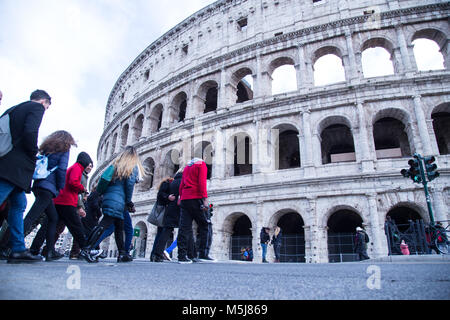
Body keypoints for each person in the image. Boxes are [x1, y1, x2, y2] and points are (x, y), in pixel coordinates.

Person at [6, 130, 76, 261]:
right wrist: (60, 187)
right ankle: (10, 247)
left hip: (38, 184)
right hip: (48, 187)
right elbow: (62, 169)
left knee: (53, 217)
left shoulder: (47, 148)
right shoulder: (64, 149)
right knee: (31, 217)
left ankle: (50, 251)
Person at [0, 90, 51, 263]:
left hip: (7, 161)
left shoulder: (13, 109)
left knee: (19, 205)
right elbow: (31, 131)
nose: (46, 109)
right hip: (15, 165)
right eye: (47, 106)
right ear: (44, 101)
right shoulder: (36, 108)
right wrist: (33, 152)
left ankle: (18, 249)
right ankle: (17, 249)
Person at [84, 146, 144, 263]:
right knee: (104, 224)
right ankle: (87, 248)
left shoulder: (116, 165)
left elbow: (104, 180)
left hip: (109, 198)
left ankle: (122, 253)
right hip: (119, 201)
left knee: (119, 227)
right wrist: (129, 202)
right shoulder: (132, 167)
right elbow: (129, 186)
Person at [177, 157, 211, 263]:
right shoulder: (201, 164)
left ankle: (182, 256)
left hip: (185, 198)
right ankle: (203, 254)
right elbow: (201, 182)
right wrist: (205, 199)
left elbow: (182, 184)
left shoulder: (187, 167)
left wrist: (181, 197)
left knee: (184, 228)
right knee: (205, 225)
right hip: (196, 197)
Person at [153, 168, 184, 262]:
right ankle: (188, 254)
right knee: (186, 231)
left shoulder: (172, 182)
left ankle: (157, 254)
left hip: (170, 208)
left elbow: (160, 195)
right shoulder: (184, 182)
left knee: (166, 231)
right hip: (181, 208)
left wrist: (168, 197)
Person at [150, 176, 174, 262]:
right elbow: (160, 195)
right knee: (162, 233)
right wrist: (168, 197)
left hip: (164, 211)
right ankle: (155, 254)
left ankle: (154, 254)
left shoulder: (166, 183)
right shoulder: (166, 183)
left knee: (160, 233)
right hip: (164, 212)